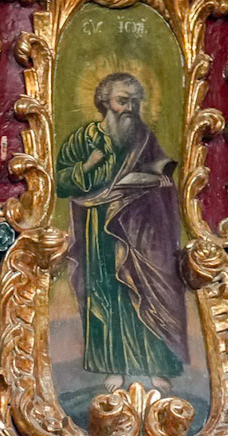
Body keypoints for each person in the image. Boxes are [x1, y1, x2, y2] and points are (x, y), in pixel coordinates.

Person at [56, 71, 187, 380]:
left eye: (134, 102)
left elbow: (163, 174)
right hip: (98, 228)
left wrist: (158, 180)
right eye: (121, 101)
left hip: (142, 229)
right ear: (104, 102)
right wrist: (88, 166)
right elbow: (61, 182)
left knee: (146, 291)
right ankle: (112, 369)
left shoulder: (145, 138)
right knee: (106, 293)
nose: (129, 108)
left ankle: (158, 368)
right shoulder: (84, 138)